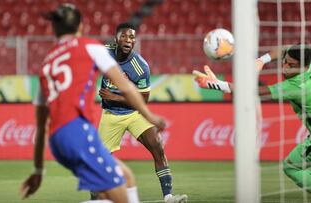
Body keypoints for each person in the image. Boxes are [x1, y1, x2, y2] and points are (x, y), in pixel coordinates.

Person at [20, 4, 166, 203]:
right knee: (121, 197)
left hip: (57, 141)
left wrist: (38, 169)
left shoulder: (47, 64)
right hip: (78, 133)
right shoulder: (91, 47)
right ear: (80, 26)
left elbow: (40, 126)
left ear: (54, 30)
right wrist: (151, 116)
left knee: (127, 179)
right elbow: (126, 86)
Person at [193, 44, 311, 192]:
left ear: (304, 67)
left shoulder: (297, 86)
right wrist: (262, 60)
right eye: (284, 61)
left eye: (291, 65)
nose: (285, 66)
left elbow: (256, 92)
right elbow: (284, 49)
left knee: (291, 167)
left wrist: (218, 85)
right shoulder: (307, 64)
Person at [97, 22, 188, 203]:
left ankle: (168, 197)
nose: (128, 40)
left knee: (157, 145)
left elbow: (143, 100)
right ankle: (96, 199)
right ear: (116, 38)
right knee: (98, 163)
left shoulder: (140, 67)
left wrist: (115, 98)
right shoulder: (104, 52)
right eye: (124, 36)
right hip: (110, 115)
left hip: (134, 113)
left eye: (131, 37)